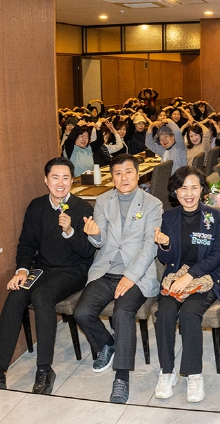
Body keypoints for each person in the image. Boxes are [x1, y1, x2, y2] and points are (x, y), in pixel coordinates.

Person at [0, 158, 95, 395]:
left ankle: (44, 369)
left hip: (74, 269)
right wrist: (22, 270)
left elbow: (88, 252)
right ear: (46, 180)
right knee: (17, 294)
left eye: (66, 178)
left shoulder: (82, 208)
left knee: (42, 295)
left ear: (72, 181)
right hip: (43, 267)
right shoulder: (36, 206)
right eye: (55, 178)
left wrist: (69, 231)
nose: (60, 183)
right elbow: (26, 243)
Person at [73, 153, 163, 404]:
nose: (124, 177)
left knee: (122, 312)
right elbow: (99, 241)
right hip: (106, 269)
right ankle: (109, 343)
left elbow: (150, 246)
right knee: (82, 312)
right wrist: (94, 235)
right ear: (112, 177)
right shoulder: (103, 201)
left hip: (138, 273)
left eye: (128, 172)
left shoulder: (152, 204)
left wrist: (130, 277)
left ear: (138, 174)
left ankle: (121, 377)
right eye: (118, 173)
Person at [153, 166, 220, 403]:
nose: (188, 193)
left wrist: (191, 275)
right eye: (183, 188)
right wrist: (165, 245)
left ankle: (194, 374)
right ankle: (167, 371)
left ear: (202, 190)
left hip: (206, 278)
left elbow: (218, 255)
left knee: (189, 313)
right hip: (176, 278)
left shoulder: (213, 216)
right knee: (164, 313)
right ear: (175, 191)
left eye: (194, 188)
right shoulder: (169, 217)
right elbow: (165, 259)